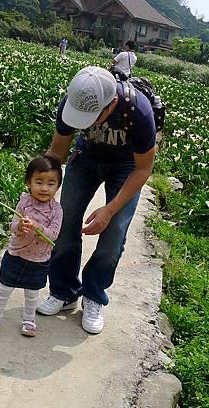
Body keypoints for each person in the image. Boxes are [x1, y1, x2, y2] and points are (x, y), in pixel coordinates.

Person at [36, 66, 156, 334]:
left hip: (127, 167)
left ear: (111, 103)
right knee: (64, 222)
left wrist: (110, 210)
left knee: (114, 232)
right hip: (86, 158)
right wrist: (38, 194)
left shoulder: (139, 111)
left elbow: (144, 168)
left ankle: (93, 294)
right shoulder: (72, 102)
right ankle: (64, 291)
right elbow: (57, 151)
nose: (84, 123)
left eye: (90, 117)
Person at [0, 155, 63, 337]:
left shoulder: (57, 210)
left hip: (38, 259)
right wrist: (20, 226)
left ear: (58, 186)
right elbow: (13, 226)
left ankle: (29, 320)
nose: (44, 188)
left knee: (32, 293)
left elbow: (53, 235)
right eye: (39, 182)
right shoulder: (24, 203)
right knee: (4, 288)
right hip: (15, 254)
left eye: (51, 183)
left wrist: (39, 228)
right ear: (28, 183)